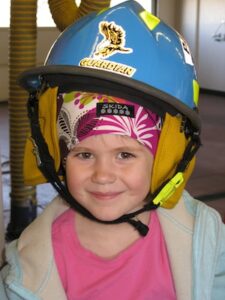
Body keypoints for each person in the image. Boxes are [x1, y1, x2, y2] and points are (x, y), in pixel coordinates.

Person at [1, 1, 225, 299]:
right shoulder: (26, 269)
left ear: (166, 156)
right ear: (57, 153)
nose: (103, 175)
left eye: (125, 154)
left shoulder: (207, 241)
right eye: (84, 154)